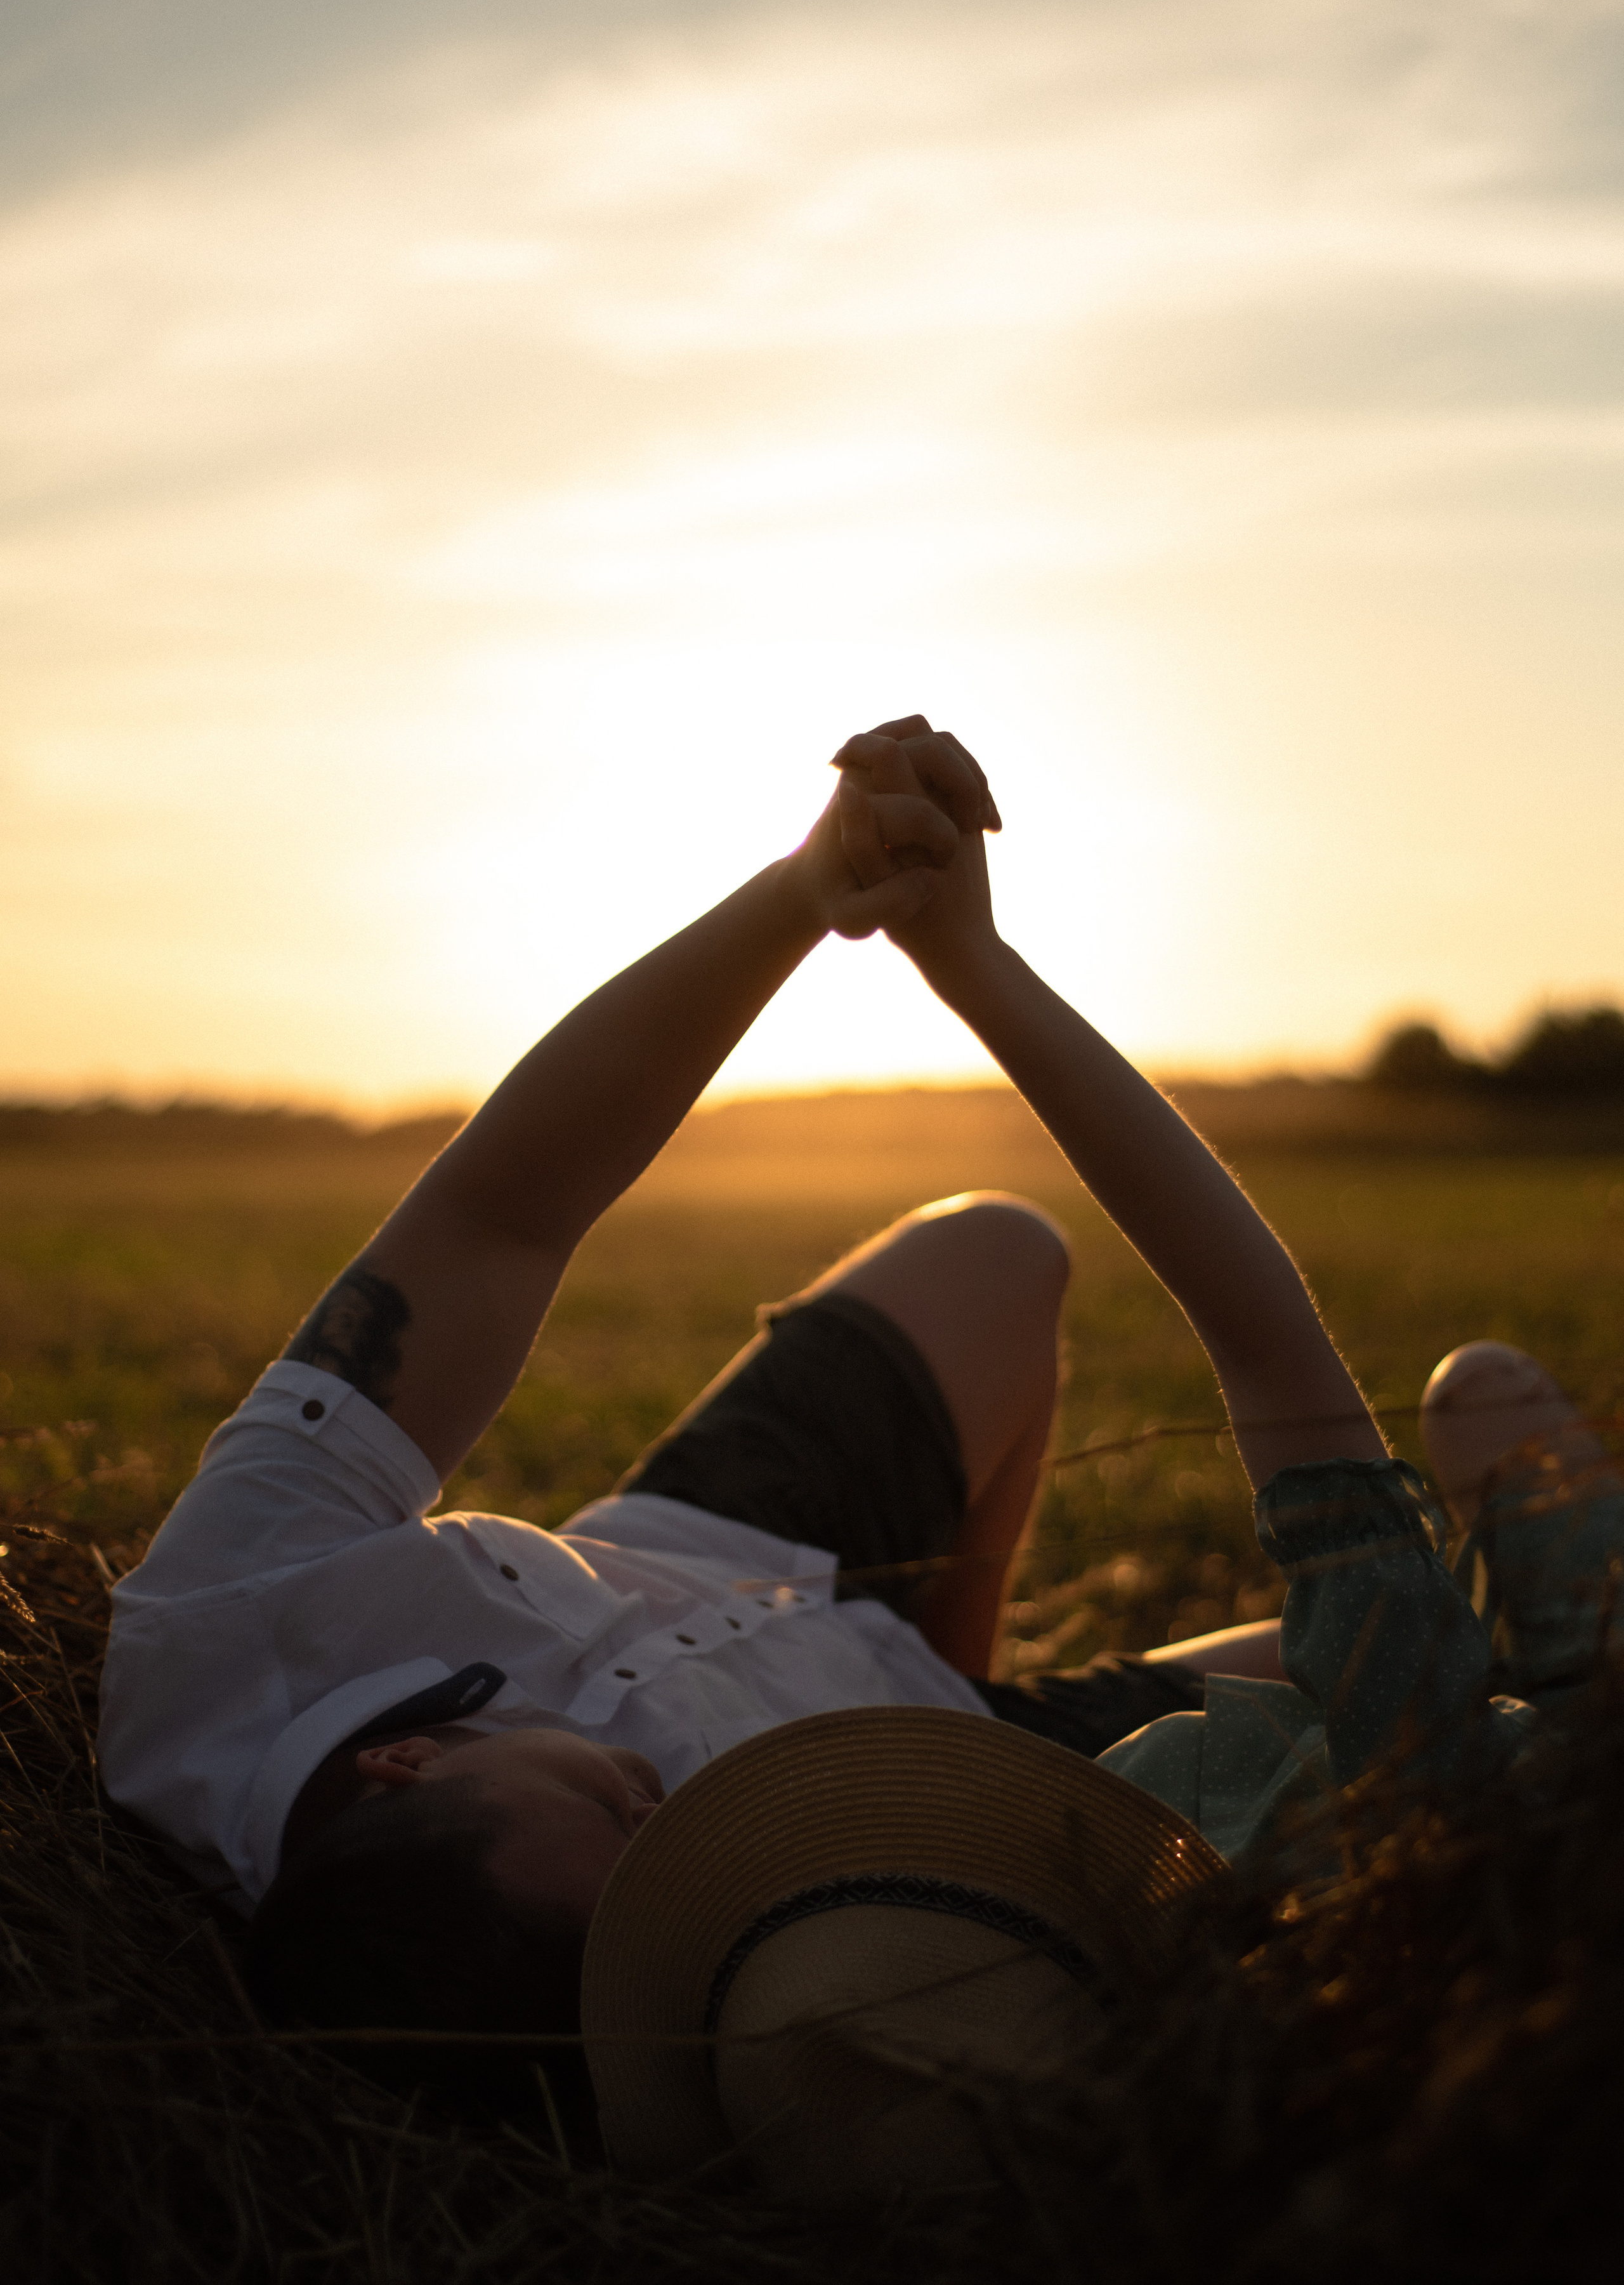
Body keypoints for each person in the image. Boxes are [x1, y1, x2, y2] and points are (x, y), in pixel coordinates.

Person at [95, 716, 1619, 2105]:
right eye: (653, 1878)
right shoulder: (613, 1969)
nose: (656, 1815)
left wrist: (808, 888)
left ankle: (998, 1646)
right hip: (897, 1773)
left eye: (618, 1826)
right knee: (1373, 1692)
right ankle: (1431, 1654)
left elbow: (501, 1220)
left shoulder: (223, 1626)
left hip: (701, 1542)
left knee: (996, 1249)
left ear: (403, 1763)